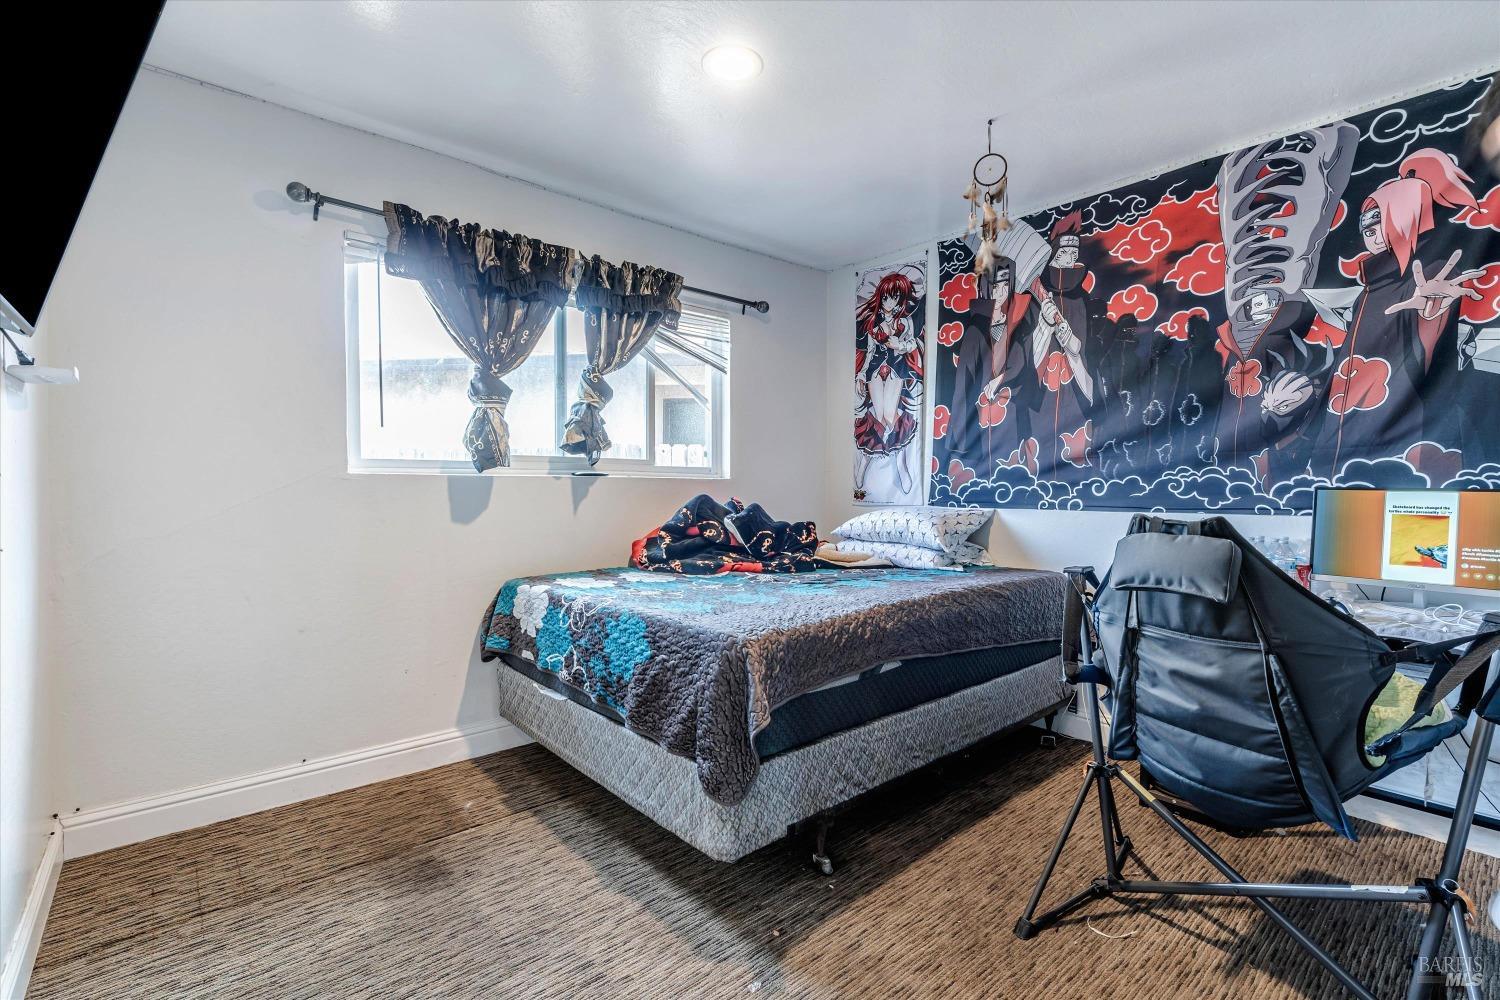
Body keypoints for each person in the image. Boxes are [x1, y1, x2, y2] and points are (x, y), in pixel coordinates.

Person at [854, 271, 924, 494]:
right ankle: (866, 460)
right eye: (885, 297)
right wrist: (861, 375)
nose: (889, 302)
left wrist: (898, 345)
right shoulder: (872, 322)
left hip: (896, 371)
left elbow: (912, 344)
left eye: (893, 297)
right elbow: (869, 351)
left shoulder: (904, 322)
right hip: (875, 371)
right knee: (878, 415)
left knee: (888, 416)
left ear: (900, 298)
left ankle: (900, 460)